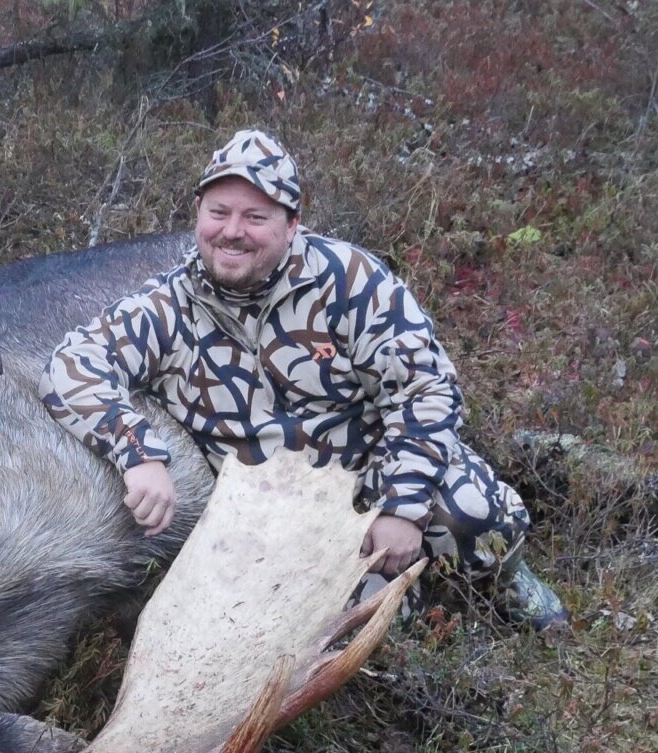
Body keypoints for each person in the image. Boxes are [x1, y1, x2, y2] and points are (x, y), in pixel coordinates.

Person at [40, 129, 568, 631]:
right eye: (218, 212)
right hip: (282, 521)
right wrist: (138, 452)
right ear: (198, 214)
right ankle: (414, 605)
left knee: (474, 517)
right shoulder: (166, 307)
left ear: (291, 224)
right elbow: (72, 365)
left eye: (255, 217)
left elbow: (424, 388)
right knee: (352, 624)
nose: (231, 231)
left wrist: (401, 506)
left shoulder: (351, 280)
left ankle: (506, 579)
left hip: (374, 469)